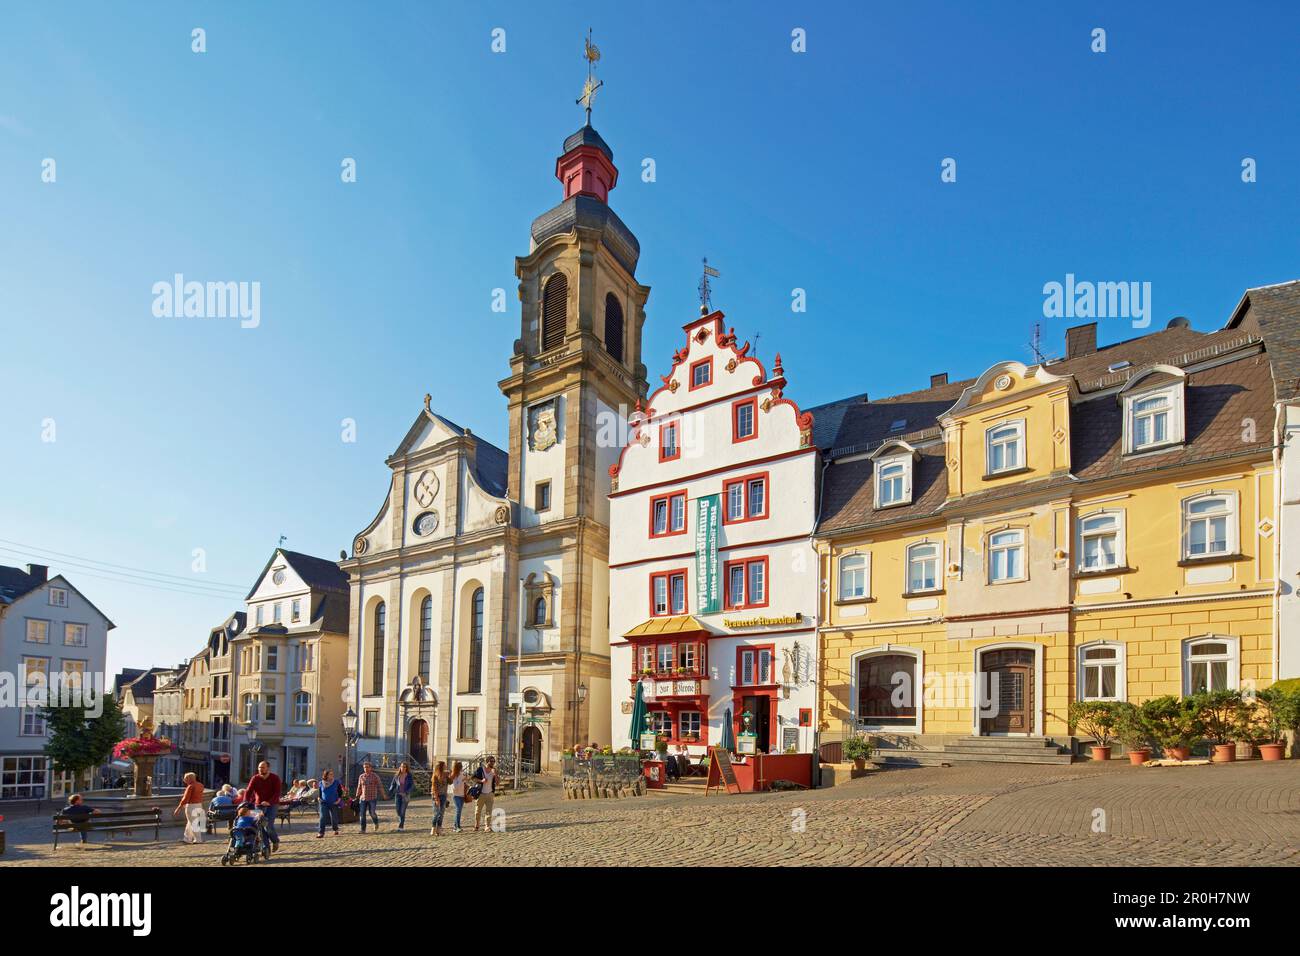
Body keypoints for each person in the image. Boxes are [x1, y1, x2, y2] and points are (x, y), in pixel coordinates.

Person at [244, 761, 282, 853]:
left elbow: (277, 793)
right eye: (259, 767)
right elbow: (248, 791)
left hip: (272, 804)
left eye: (263, 767)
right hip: (259, 805)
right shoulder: (255, 778)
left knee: (268, 825)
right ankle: (266, 847)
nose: (260, 769)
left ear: (268, 768)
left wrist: (269, 802)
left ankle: (275, 840)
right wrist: (245, 803)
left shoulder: (275, 778)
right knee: (260, 826)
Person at [173, 772, 207, 844]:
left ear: (189, 779)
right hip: (199, 805)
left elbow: (185, 799)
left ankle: (198, 839)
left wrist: (178, 808)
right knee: (190, 822)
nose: (184, 780)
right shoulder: (201, 785)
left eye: (185, 779)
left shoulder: (190, 786)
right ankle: (187, 838)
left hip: (191, 806)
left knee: (193, 823)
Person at [354, 761, 383, 833]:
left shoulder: (375, 776)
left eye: (367, 767)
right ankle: (363, 829)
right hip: (363, 798)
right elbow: (359, 787)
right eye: (364, 767)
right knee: (362, 814)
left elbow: (380, 786)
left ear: (370, 768)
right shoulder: (361, 776)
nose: (366, 769)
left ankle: (376, 822)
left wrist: (384, 795)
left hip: (372, 798)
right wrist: (357, 796)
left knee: (372, 813)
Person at [472, 756, 498, 833]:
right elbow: (473, 778)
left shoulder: (494, 771)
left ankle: (487, 826)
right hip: (481, 793)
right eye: (491, 761)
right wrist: (481, 780)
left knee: (489, 811)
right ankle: (476, 825)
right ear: (487, 762)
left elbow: (497, 782)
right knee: (477, 811)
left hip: (490, 793)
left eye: (494, 761)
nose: (493, 763)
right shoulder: (480, 769)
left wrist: (495, 775)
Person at [316, 768, 341, 839]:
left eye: (332, 774)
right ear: (326, 775)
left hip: (333, 803)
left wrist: (338, 800)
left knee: (334, 818)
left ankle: (335, 828)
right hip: (323, 803)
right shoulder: (321, 783)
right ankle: (321, 832)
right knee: (322, 817)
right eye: (330, 774)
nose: (332, 775)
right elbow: (320, 793)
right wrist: (319, 798)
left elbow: (340, 792)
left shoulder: (336, 782)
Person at [388, 761, 414, 831]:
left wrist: (407, 792)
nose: (403, 768)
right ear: (400, 767)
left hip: (405, 795)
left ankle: (401, 826)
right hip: (398, 795)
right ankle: (401, 821)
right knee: (398, 810)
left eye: (404, 767)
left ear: (406, 768)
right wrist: (389, 792)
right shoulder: (397, 775)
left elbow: (412, 786)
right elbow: (392, 785)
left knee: (402, 811)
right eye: (402, 766)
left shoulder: (409, 776)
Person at [429, 761, 448, 837]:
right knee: (436, 813)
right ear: (441, 767)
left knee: (442, 813)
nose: (446, 766)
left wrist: (453, 773)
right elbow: (434, 788)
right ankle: (433, 828)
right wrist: (436, 799)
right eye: (444, 765)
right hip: (436, 795)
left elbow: (450, 782)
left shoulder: (445, 774)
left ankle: (439, 829)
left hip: (443, 795)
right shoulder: (435, 776)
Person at [449, 761, 468, 833]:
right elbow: (455, 787)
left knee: (459, 811)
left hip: (462, 795)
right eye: (460, 767)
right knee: (458, 810)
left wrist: (466, 780)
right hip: (456, 795)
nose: (462, 768)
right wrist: (462, 780)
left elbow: (464, 783)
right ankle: (457, 826)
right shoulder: (453, 775)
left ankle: (455, 826)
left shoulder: (461, 774)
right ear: (457, 768)